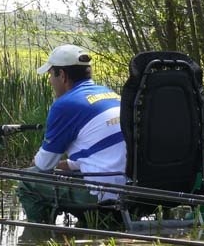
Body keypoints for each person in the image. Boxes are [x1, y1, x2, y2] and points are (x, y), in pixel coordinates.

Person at [17, 44, 126, 226]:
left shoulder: (65, 104)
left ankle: (39, 239)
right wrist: (67, 165)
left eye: (51, 74)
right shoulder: (111, 95)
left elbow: (44, 164)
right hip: (129, 187)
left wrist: (37, 162)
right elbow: (100, 150)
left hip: (102, 194)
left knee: (28, 180)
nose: (50, 80)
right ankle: (88, 225)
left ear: (63, 75)